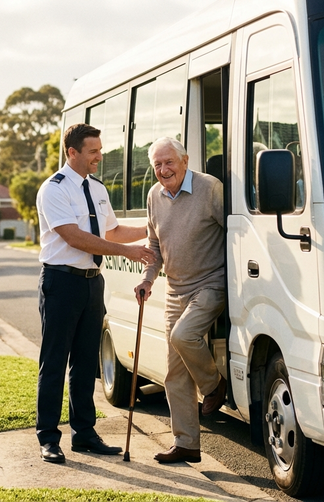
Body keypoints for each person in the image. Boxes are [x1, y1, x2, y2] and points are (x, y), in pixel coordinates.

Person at [35, 123, 156, 464]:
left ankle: (84, 434)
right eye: (92, 152)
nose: (99, 157)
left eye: (100, 151)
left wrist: (155, 225)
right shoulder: (54, 190)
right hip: (61, 283)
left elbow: (113, 231)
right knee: (55, 362)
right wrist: (129, 253)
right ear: (71, 152)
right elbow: (74, 237)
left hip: (92, 282)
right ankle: (48, 437)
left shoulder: (98, 189)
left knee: (86, 362)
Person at [133, 137, 227, 464]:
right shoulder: (154, 196)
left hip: (211, 283)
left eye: (168, 162)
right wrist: (147, 278)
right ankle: (186, 442)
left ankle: (214, 385)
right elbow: (154, 245)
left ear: (185, 160)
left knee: (183, 335)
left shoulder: (210, 188)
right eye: (157, 164)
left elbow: (236, 231)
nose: (163, 170)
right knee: (174, 373)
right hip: (175, 288)